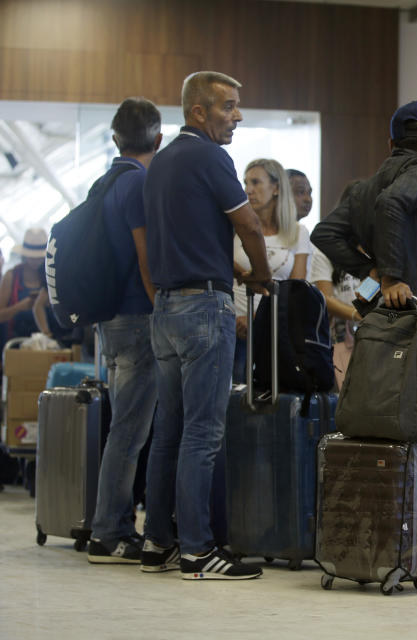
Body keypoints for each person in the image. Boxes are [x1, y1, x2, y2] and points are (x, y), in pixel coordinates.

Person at [142, 70, 270, 580]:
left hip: (166, 309)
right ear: (199, 111)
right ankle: (197, 551)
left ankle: (158, 542)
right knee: (202, 435)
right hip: (204, 312)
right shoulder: (210, 156)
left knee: (168, 433)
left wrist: (234, 269)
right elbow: (250, 223)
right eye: (229, 106)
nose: (237, 116)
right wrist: (260, 275)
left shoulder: (162, 163)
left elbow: (184, 236)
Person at [313, 100, 417, 430]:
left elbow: (324, 233)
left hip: (381, 314)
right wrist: (392, 276)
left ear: (390, 143)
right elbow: (393, 203)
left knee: (386, 408)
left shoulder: (365, 188)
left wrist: (371, 270)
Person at [84, 98, 162, 564]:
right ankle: (110, 531)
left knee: (124, 428)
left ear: (115, 138)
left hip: (110, 318)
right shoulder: (139, 184)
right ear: (158, 139)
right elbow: (146, 255)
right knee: (130, 431)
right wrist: (161, 307)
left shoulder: (104, 182)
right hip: (138, 317)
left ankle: (109, 526)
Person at [231, 158, 311, 382]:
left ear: (276, 188)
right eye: (246, 183)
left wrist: (256, 318)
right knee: (235, 396)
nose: (248, 190)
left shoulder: (298, 232)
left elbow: (296, 288)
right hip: (234, 327)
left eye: (256, 182)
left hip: (275, 328)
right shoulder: (235, 228)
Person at [296, 173, 362, 391]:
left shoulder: (377, 248)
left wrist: (364, 308)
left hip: (373, 332)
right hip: (340, 335)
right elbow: (325, 297)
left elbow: (372, 290)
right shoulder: (327, 247)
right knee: (340, 397)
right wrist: (355, 313)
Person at [0, 228, 47, 346]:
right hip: (15, 343)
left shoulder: (49, 276)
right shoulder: (12, 276)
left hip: (47, 342)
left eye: (39, 257)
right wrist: (19, 307)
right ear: (25, 255)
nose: (36, 261)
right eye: (32, 257)